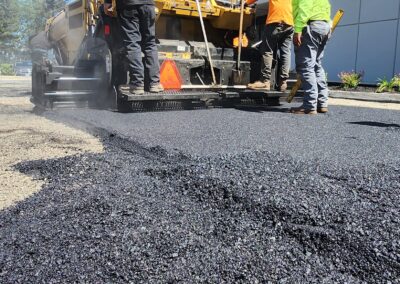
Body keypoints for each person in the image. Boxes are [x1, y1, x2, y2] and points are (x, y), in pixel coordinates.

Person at [104, 0, 164, 95]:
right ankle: (154, 83)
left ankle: (137, 84)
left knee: (132, 43)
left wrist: (107, 2)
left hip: (128, 5)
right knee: (150, 42)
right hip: (149, 5)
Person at [291, 0, 331, 114]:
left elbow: (305, 6)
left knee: (306, 66)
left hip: (311, 25)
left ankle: (309, 105)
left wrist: (298, 29)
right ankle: (322, 103)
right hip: (324, 26)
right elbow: (327, 7)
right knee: (317, 65)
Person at [247, 0, 294, 91]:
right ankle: (283, 82)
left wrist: (246, 3)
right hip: (289, 22)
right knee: (286, 52)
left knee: (267, 51)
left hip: (275, 20)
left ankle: (265, 81)